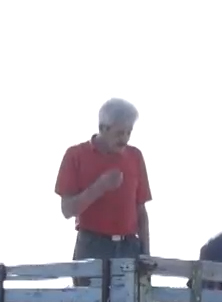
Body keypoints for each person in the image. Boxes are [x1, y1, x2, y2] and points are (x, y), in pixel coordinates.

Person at [55, 98, 151, 263]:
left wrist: (146, 255)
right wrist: (99, 187)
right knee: (88, 290)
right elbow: (67, 210)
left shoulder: (135, 156)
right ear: (103, 128)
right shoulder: (75, 155)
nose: (125, 139)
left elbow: (141, 210)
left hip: (129, 247)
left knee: (134, 289)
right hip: (92, 246)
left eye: (129, 132)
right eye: (120, 133)